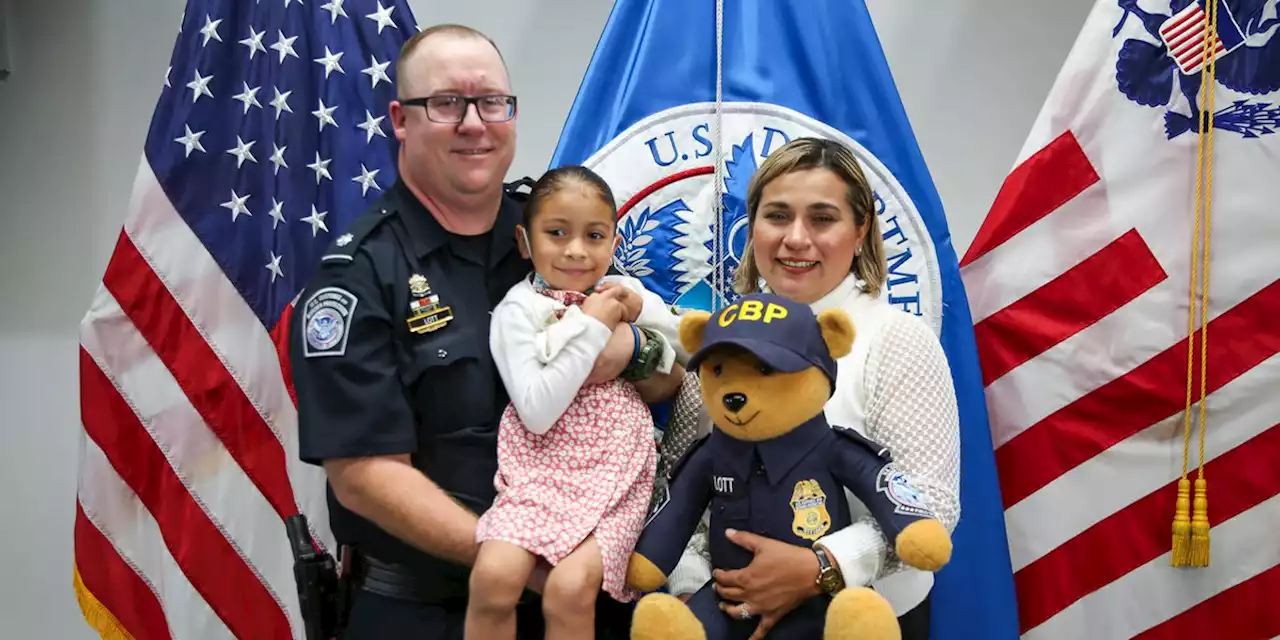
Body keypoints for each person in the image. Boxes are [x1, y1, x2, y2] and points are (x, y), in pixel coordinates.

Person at [289, 25, 682, 639]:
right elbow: (364, 476)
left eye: (492, 102)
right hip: (429, 611)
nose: (475, 123)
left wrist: (635, 351)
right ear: (399, 119)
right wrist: (522, 560)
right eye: (446, 103)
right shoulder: (360, 276)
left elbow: (668, 385)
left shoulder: (558, 230)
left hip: (581, 601)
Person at [665, 137, 961, 640]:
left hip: (866, 623)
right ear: (751, 225)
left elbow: (931, 503)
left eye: (822, 219)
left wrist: (819, 567)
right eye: (777, 216)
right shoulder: (720, 339)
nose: (796, 239)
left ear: (861, 229)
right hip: (725, 615)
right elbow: (678, 479)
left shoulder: (896, 339)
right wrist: (703, 587)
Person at [464, 165, 687, 639]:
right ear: (525, 242)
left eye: (594, 235)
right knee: (493, 576)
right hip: (540, 471)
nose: (575, 250)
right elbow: (538, 412)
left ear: (614, 241)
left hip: (617, 474)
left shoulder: (623, 292)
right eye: (557, 232)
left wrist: (638, 315)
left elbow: (682, 351)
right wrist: (594, 327)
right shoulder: (516, 311)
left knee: (569, 588)